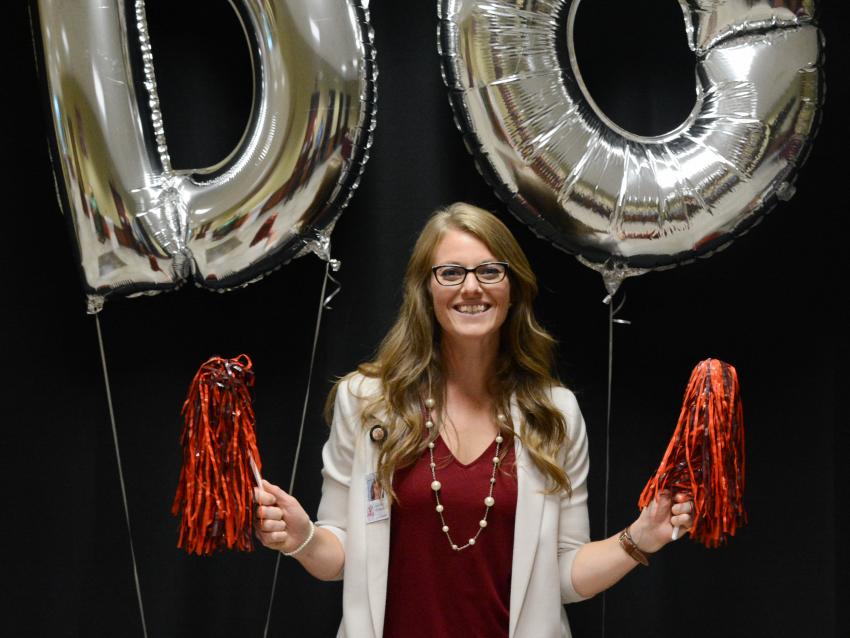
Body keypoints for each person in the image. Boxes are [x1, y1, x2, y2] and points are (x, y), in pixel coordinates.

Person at [254, 202, 694, 638]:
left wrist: (640, 537)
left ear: (513, 288)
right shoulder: (367, 401)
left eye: (489, 271)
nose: (471, 288)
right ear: (425, 290)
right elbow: (343, 556)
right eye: (451, 272)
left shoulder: (554, 413)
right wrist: (302, 537)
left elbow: (562, 573)